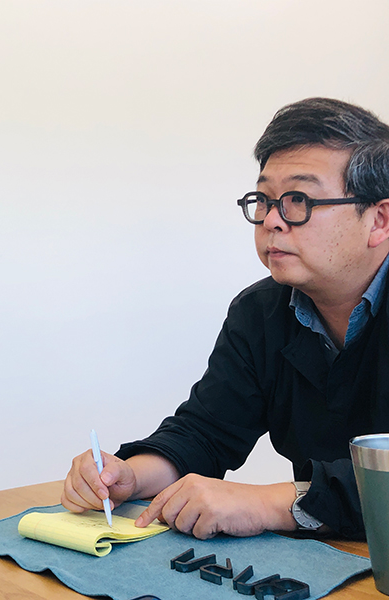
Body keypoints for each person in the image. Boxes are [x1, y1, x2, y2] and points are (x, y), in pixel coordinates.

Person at [62, 97, 389, 541]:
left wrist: (269, 503)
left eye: (298, 200)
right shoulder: (261, 311)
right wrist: (129, 476)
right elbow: (207, 432)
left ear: (379, 220)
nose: (271, 221)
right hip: (335, 556)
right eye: (264, 200)